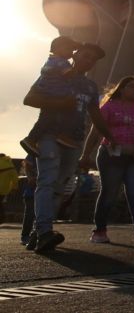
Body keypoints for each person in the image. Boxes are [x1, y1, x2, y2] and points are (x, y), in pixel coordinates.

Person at [23, 42, 114, 253]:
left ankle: (39, 232)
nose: (88, 59)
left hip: (74, 141)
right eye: (85, 55)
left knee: (59, 187)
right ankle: (45, 231)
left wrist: (110, 136)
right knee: (46, 181)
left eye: (93, 58)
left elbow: (95, 114)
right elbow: (29, 98)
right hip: (49, 136)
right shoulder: (55, 74)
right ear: (75, 55)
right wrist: (60, 104)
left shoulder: (90, 86)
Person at [79, 76, 134, 244]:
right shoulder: (109, 106)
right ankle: (99, 230)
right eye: (132, 86)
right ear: (122, 88)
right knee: (109, 193)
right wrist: (86, 154)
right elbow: (96, 130)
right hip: (111, 155)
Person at [20, 36, 81, 155]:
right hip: (56, 95)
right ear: (58, 48)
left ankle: (32, 138)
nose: (72, 53)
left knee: (45, 117)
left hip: (47, 94)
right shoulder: (61, 62)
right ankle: (60, 136)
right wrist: (76, 63)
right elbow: (70, 74)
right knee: (67, 112)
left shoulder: (51, 60)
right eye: (69, 49)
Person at [20, 154, 37, 245]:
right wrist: (31, 178)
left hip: (40, 190)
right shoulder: (33, 154)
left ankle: (36, 235)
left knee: (37, 215)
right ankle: (25, 236)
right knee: (30, 214)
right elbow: (27, 165)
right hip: (31, 192)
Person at [0, 152, 18, 224]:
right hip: (5, 188)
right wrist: (15, 188)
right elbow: (15, 178)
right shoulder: (10, 164)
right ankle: (2, 217)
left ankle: (2, 218)